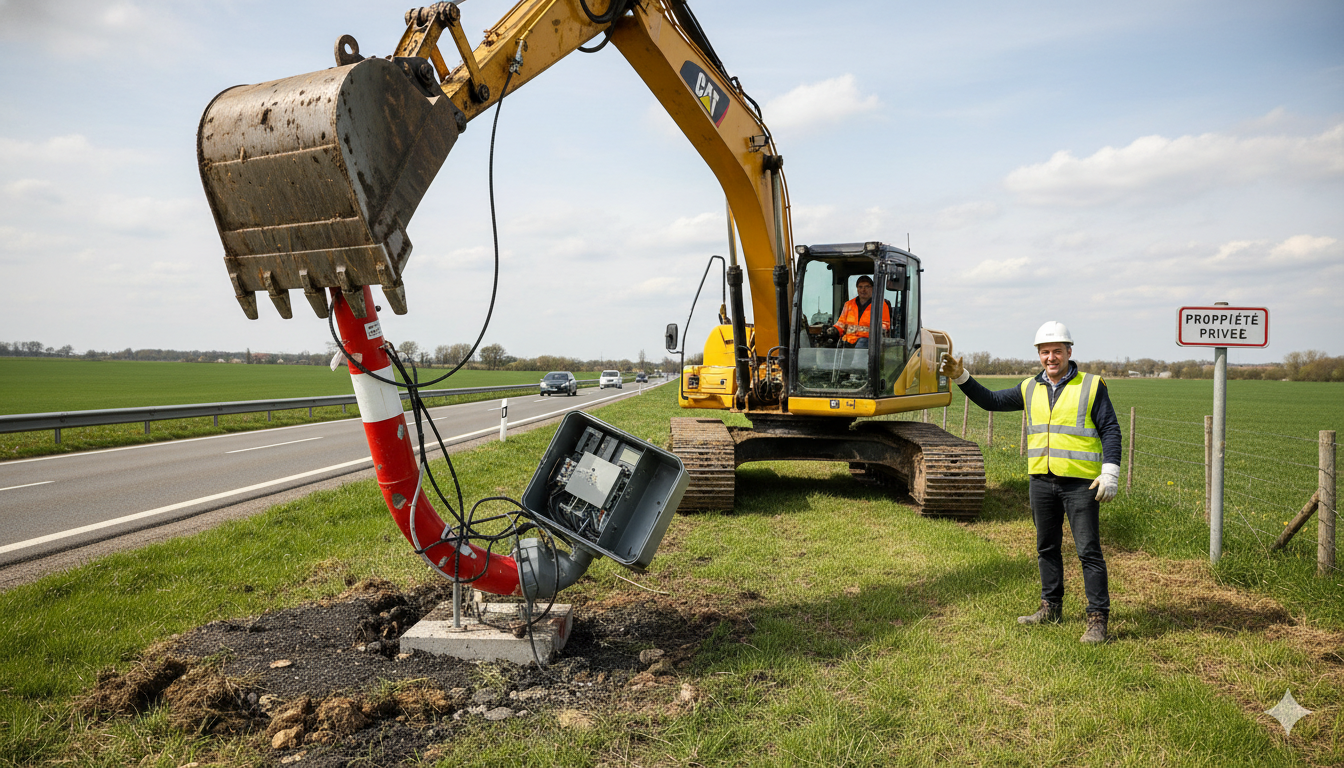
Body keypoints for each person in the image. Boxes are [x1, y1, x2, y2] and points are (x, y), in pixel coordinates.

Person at [938, 321, 1122, 644]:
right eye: (1045, 352)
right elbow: (991, 401)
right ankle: (1051, 607)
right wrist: (961, 378)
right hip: (1041, 481)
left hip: (1081, 484)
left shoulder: (1091, 386)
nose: (1051, 357)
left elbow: (1110, 430)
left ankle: (1097, 619)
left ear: (1069, 352)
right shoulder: (1029, 387)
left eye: (1057, 351)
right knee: (1046, 547)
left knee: (1088, 551)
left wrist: (1110, 471)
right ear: (1039, 355)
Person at [832, 275, 891, 348]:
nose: (863, 290)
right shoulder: (848, 305)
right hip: (848, 342)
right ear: (857, 289)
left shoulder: (880, 305)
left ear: (872, 288)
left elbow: (885, 325)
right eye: (860, 287)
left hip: (869, 343)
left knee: (862, 342)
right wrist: (833, 330)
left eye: (867, 287)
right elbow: (841, 324)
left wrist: (870, 331)